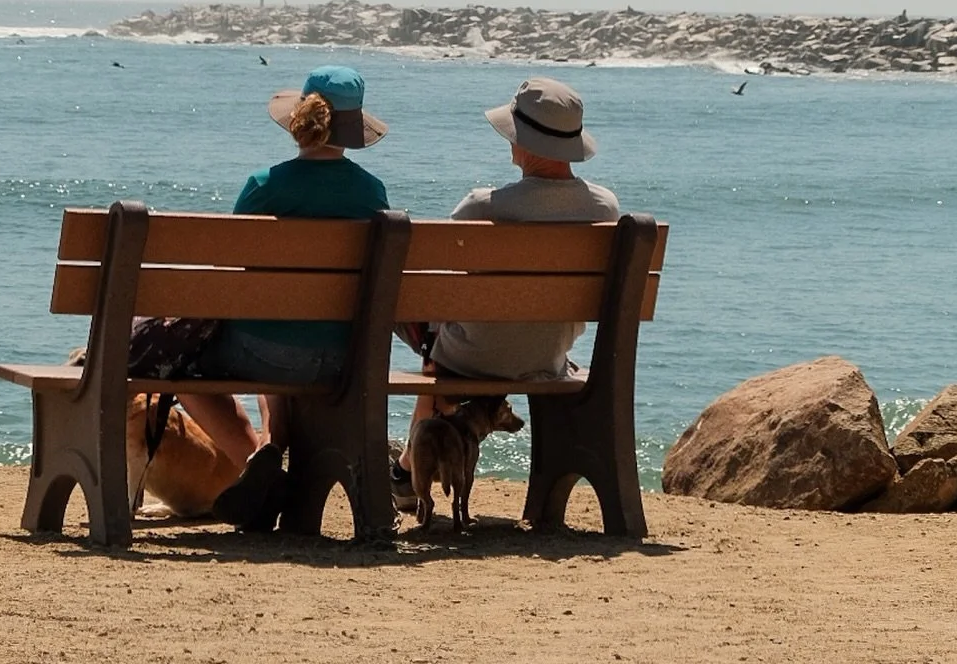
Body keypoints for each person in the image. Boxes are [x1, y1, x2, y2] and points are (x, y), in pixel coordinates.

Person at [139, 64, 390, 531]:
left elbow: (229, 277)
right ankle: (264, 457)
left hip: (265, 355)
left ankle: (256, 460)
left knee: (186, 364)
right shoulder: (372, 193)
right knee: (277, 333)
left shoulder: (264, 186)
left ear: (300, 120)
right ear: (353, 129)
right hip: (342, 357)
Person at [392, 76, 619, 508]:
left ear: (525, 143)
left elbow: (432, 287)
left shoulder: (483, 206)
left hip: (467, 359)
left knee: (417, 327)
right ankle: (406, 467)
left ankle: (409, 472)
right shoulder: (605, 208)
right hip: (550, 358)